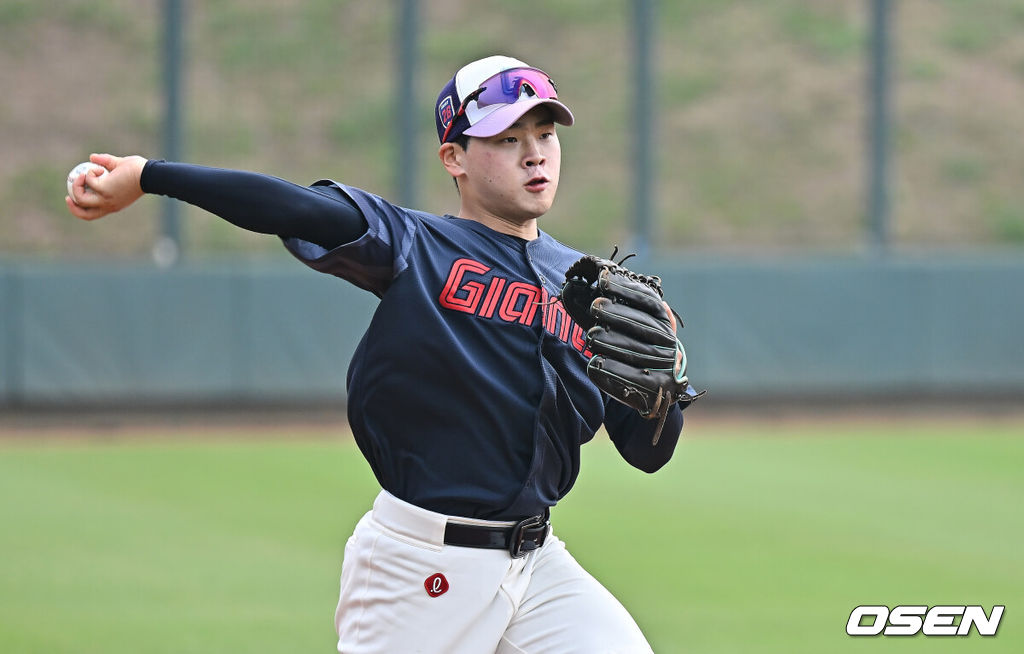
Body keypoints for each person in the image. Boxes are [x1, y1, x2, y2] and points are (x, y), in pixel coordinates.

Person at [66, 54, 700, 654]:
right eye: (507, 139)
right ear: (454, 156)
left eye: (544, 133)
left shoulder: (586, 289)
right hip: (420, 566)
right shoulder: (415, 244)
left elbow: (648, 453)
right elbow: (291, 206)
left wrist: (663, 383)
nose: (535, 153)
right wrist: (150, 175)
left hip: (537, 565)